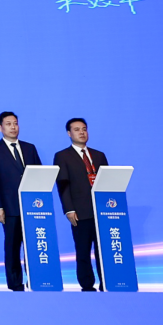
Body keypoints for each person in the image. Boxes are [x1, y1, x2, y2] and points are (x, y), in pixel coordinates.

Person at [0, 111, 42, 291]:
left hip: (31, 206)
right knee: (12, 247)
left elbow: (39, 174)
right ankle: (15, 283)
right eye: (8, 124)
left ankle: (36, 279)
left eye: (15, 123)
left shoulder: (30, 148)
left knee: (34, 244)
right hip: (9, 207)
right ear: (0, 128)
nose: (13, 127)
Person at [54, 118, 108, 292]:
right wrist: (69, 209)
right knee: (83, 250)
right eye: (77, 129)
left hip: (101, 211)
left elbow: (108, 182)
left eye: (84, 129)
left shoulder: (99, 155)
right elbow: (62, 185)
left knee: (103, 250)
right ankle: (87, 285)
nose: (82, 132)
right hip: (79, 211)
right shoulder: (62, 156)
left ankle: (107, 282)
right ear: (69, 133)